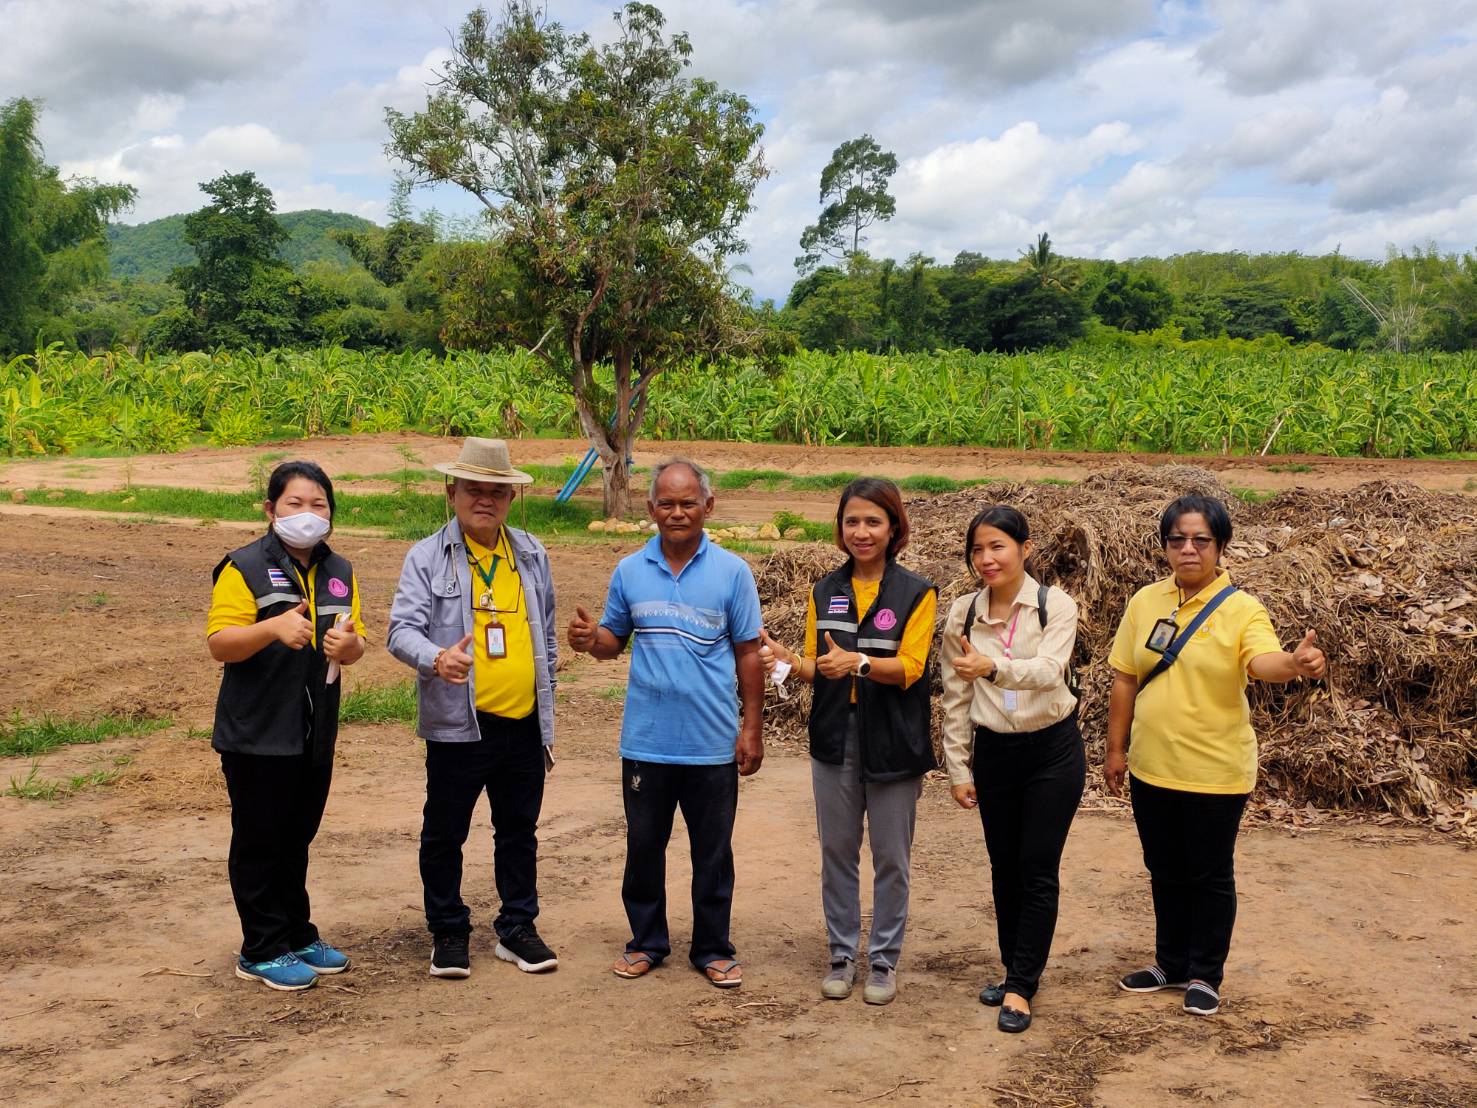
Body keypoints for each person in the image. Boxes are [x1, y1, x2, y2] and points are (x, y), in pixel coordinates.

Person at [1105, 494, 1327, 1017]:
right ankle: (1170, 962)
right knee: (1163, 867)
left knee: (1208, 872)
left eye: (1200, 540)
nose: (1188, 549)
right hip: (1152, 765)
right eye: (1177, 539)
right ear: (1164, 547)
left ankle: (1206, 972)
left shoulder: (1241, 608)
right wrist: (1116, 749)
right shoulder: (1144, 603)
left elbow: (1263, 660)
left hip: (1215, 770)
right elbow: (1124, 677)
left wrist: (1295, 663)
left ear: (1220, 546)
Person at [567, 458, 764, 989]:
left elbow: (749, 653)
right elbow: (613, 641)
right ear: (651, 507)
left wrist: (752, 728)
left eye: (688, 503)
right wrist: (590, 641)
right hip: (647, 742)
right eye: (667, 504)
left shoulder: (733, 573)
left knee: (713, 853)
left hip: (712, 743)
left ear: (708, 507)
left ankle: (713, 948)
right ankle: (646, 942)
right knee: (643, 847)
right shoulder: (631, 571)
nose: (678, 513)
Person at [387, 438, 561, 980]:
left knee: (518, 830)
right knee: (445, 831)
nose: (485, 500)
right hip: (458, 724)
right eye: (473, 490)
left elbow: (547, 632)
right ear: (451, 492)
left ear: (510, 498)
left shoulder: (530, 552)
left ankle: (516, 928)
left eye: (496, 492)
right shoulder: (426, 556)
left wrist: (545, 680)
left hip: (523, 723)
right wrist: (436, 659)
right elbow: (400, 631)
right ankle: (448, 932)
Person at [758, 478, 936, 1006]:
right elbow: (818, 665)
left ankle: (883, 961)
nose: (862, 531)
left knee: (891, 857)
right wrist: (790, 662)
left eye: (873, 521)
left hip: (894, 740)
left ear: (894, 528)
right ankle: (841, 954)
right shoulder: (824, 590)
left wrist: (858, 662)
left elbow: (912, 667)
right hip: (835, 738)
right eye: (852, 521)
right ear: (839, 528)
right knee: (837, 851)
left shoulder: (916, 592)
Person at [207, 460, 368, 991]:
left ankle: (297, 933)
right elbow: (220, 643)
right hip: (257, 730)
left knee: (297, 835)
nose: (307, 514)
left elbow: (355, 640)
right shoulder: (244, 566)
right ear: (270, 509)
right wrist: (272, 627)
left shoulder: (340, 569)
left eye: (318, 505)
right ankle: (261, 946)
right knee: (259, 838)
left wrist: (353, 647)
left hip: (313, 730)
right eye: (295, 503)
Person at [937, 506, 1083, 1034]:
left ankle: (1022, 986)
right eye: (977, 549)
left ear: (1024, 548)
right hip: (995, 751)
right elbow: (955, 696)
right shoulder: (963, 614)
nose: (986, 558)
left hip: (1052, 751)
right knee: (1004, 868)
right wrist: (958, 767)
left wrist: (993, 666)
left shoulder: (1055, 605)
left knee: (1037, 867)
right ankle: (1013, 968)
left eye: (998, 546)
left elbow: (1049, 672)